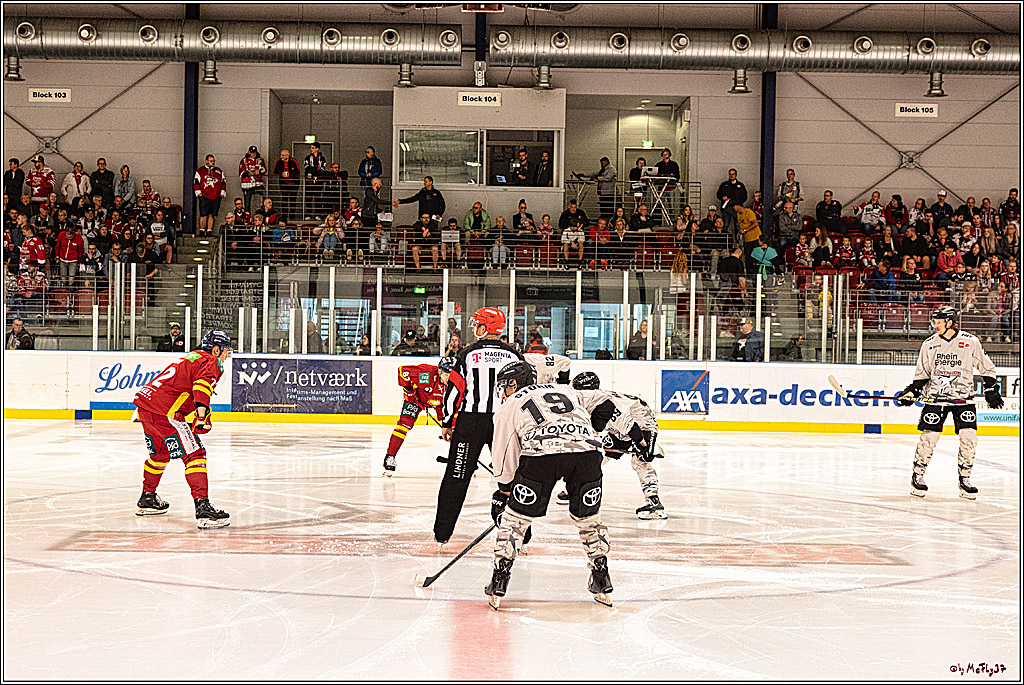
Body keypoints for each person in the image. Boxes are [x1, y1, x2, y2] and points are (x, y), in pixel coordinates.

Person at [485, 361, 611, 609]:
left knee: (516, 520)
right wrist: (589, 430)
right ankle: (601, 576)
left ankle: (499, 580)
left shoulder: (509, 405)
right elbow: (605, 402)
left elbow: (503, 453)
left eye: (503, 386)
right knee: (588, 520)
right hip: (587, 454)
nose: (502, 392)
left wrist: (505, 488)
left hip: (542, 456)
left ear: (513, 383)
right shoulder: (566, 390)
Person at [434, 307, 524, 547]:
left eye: (477, 323)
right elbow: (526, 394)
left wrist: (446, 421)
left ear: (486, 327)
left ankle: (442, 534)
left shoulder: (467, 354)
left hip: (470, 423)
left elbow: (454, 391)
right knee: (513, 477)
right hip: (505, 424)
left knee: (457, 476)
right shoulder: (515, 355)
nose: (475, 328)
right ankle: (522, 536)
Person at [895, 306, 1002, 500]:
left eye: (939, 322)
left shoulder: (970, 342)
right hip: (935, 399)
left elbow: (987, 367)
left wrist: (991, 388)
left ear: (950, 322)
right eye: (934, 321)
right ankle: (917, 476)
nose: (935, 325)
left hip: (963, 399)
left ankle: (965, 479)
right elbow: (922, 374)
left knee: (969, 438)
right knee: (929, 439)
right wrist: (911, 391)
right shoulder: (929, 344)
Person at [132, 330, 232, 528]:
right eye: (225, 351)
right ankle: (203, 507)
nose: (226, 356)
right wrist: (201, 416)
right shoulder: (212, 361)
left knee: (159, 456)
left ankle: (148, 498)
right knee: (195, 454)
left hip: (145, 408)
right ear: (216, 349)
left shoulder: (191, 357)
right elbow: (201, 387)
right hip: (165, 412)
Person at [567, 371, 666, 519]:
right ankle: (578, 486)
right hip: (621, 426)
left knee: (641, 461)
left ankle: (653, 502)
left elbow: (629, 426)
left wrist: (644, 446)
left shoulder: (610, 405)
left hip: (642, 423)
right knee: (599, 456)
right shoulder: (594, 399)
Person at [383, 356, 454, 475]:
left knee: (453, 427)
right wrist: (408, 391)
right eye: (446, 374)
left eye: (451, 375)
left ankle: (460, 459)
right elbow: (402, 371)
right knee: (404, 425)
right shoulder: (426, 373)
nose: (449, 378)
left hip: (441, 405)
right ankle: (390, 457)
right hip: (416, 400)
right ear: (440, 371)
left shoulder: (455, 383)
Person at [194, 154, 226, 237]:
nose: (213, 163)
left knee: (212, 214)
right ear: (206, 161)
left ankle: (209, 230)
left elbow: (223, 182)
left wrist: (222, 193)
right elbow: (196, 182)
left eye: (213, 161)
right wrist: (199, 193)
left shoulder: (219, 171)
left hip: (216, 196)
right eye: (211, 161)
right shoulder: (200, 171)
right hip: (204, 196)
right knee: (203, 214)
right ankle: (201, 230)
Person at [272, 149, 300, 220]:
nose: (281, 157)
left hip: (293, 183)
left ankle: (292, 216)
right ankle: (284, 215)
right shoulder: (279, 162)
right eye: (281, 155)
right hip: (283, 183)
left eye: (283, 155)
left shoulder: (293, 161)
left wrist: (290, 174)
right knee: (284, 199)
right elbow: (275, 171)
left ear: (287, 156)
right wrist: (281, 173)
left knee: (293, 200)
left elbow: (297, 172)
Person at [716, 168, 747, 232]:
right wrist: (722, 197)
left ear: (736, 175)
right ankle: (723, 240)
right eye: (730, 174)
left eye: (733, 174)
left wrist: (737, 203)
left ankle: (738, 240)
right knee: (725, 224)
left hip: (737, 207)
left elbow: (745, 197)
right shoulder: (724, 185)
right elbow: (718, 195)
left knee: (738, 225)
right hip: (727, 207)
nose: (731, 176)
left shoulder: (741, 185)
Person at [303, 141, 328, 219]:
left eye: (313, 148)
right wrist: (315, 169)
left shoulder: (322, 158)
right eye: (311, 148)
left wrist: (314, 170)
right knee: (308, 198)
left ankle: (318, 214)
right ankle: (308, 214)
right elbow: (306, 168)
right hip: (309, 182)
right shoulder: (307, 157)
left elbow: (322, 169)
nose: (311, 149)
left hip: (318, 182)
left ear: (317, 149)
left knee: (318, 198)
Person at [239, 145, 267, 214]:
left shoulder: (260, 160)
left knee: (266, 195)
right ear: (249, 152)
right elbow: (242, 174)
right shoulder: (244, 160)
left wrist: (257, 172)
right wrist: (253, 173)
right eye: (252, 152)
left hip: (258, 184)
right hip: (247, 185)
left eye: (255, 152)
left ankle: (263, 212)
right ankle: (247, 220)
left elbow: (263, 170)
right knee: (247, 204)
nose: (253, 154)